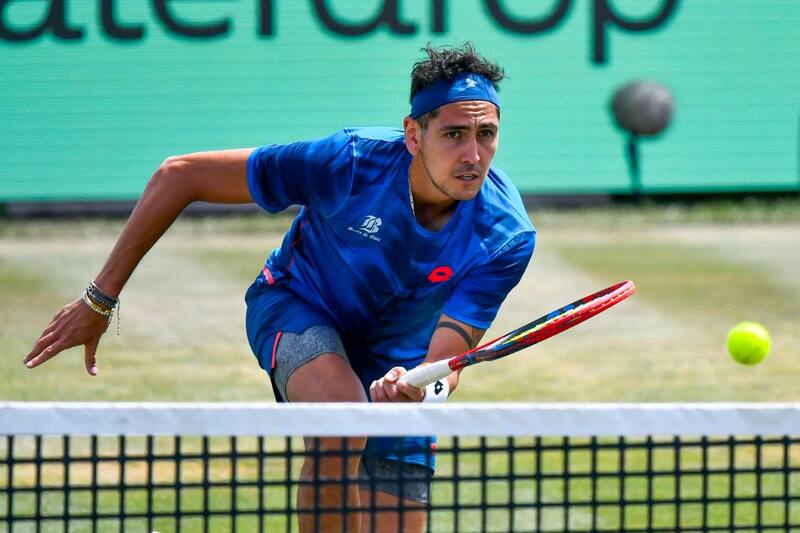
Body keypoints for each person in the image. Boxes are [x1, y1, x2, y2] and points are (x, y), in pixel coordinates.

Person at [24, 43, 536, 533]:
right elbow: (179, 175)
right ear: (413, 135)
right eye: (453, 134)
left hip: (398, 357)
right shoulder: (348, 162)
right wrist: (100, 299)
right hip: (297, 305)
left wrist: (421, 386)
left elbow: (449, 358)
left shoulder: (505, 235)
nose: (473, 154)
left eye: (486, 134)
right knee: (343, 420)